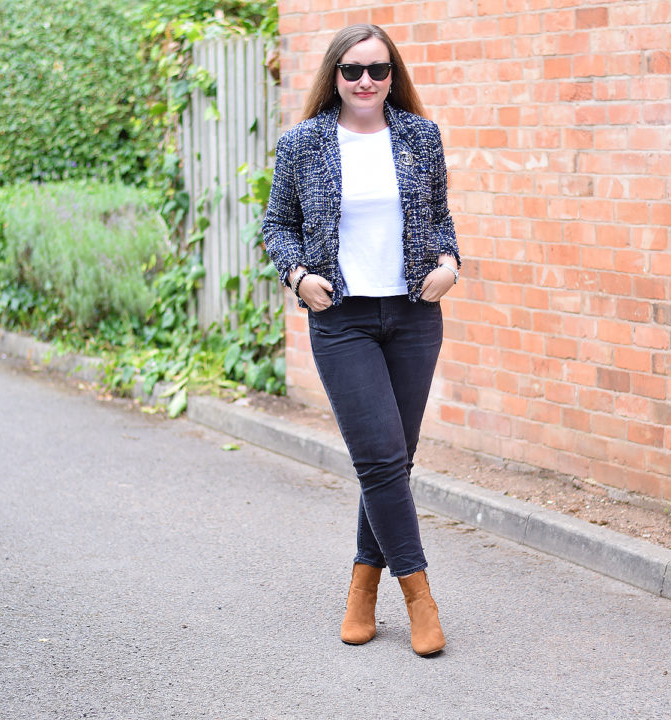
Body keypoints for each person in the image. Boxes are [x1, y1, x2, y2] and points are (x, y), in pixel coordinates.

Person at [262, 23, 460, 656]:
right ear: (335, 77)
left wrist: (451, 264)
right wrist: (298, 275)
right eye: (353, 71)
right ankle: (419, 596)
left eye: (379, 70)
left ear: (393, 75)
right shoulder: (305, 142)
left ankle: (361, 586)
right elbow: (277, 226)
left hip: (412, 315)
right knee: (378, 461)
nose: (366, 82)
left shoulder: (420, 137)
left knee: (393, 464)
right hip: (341, 318)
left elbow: (442, 219)